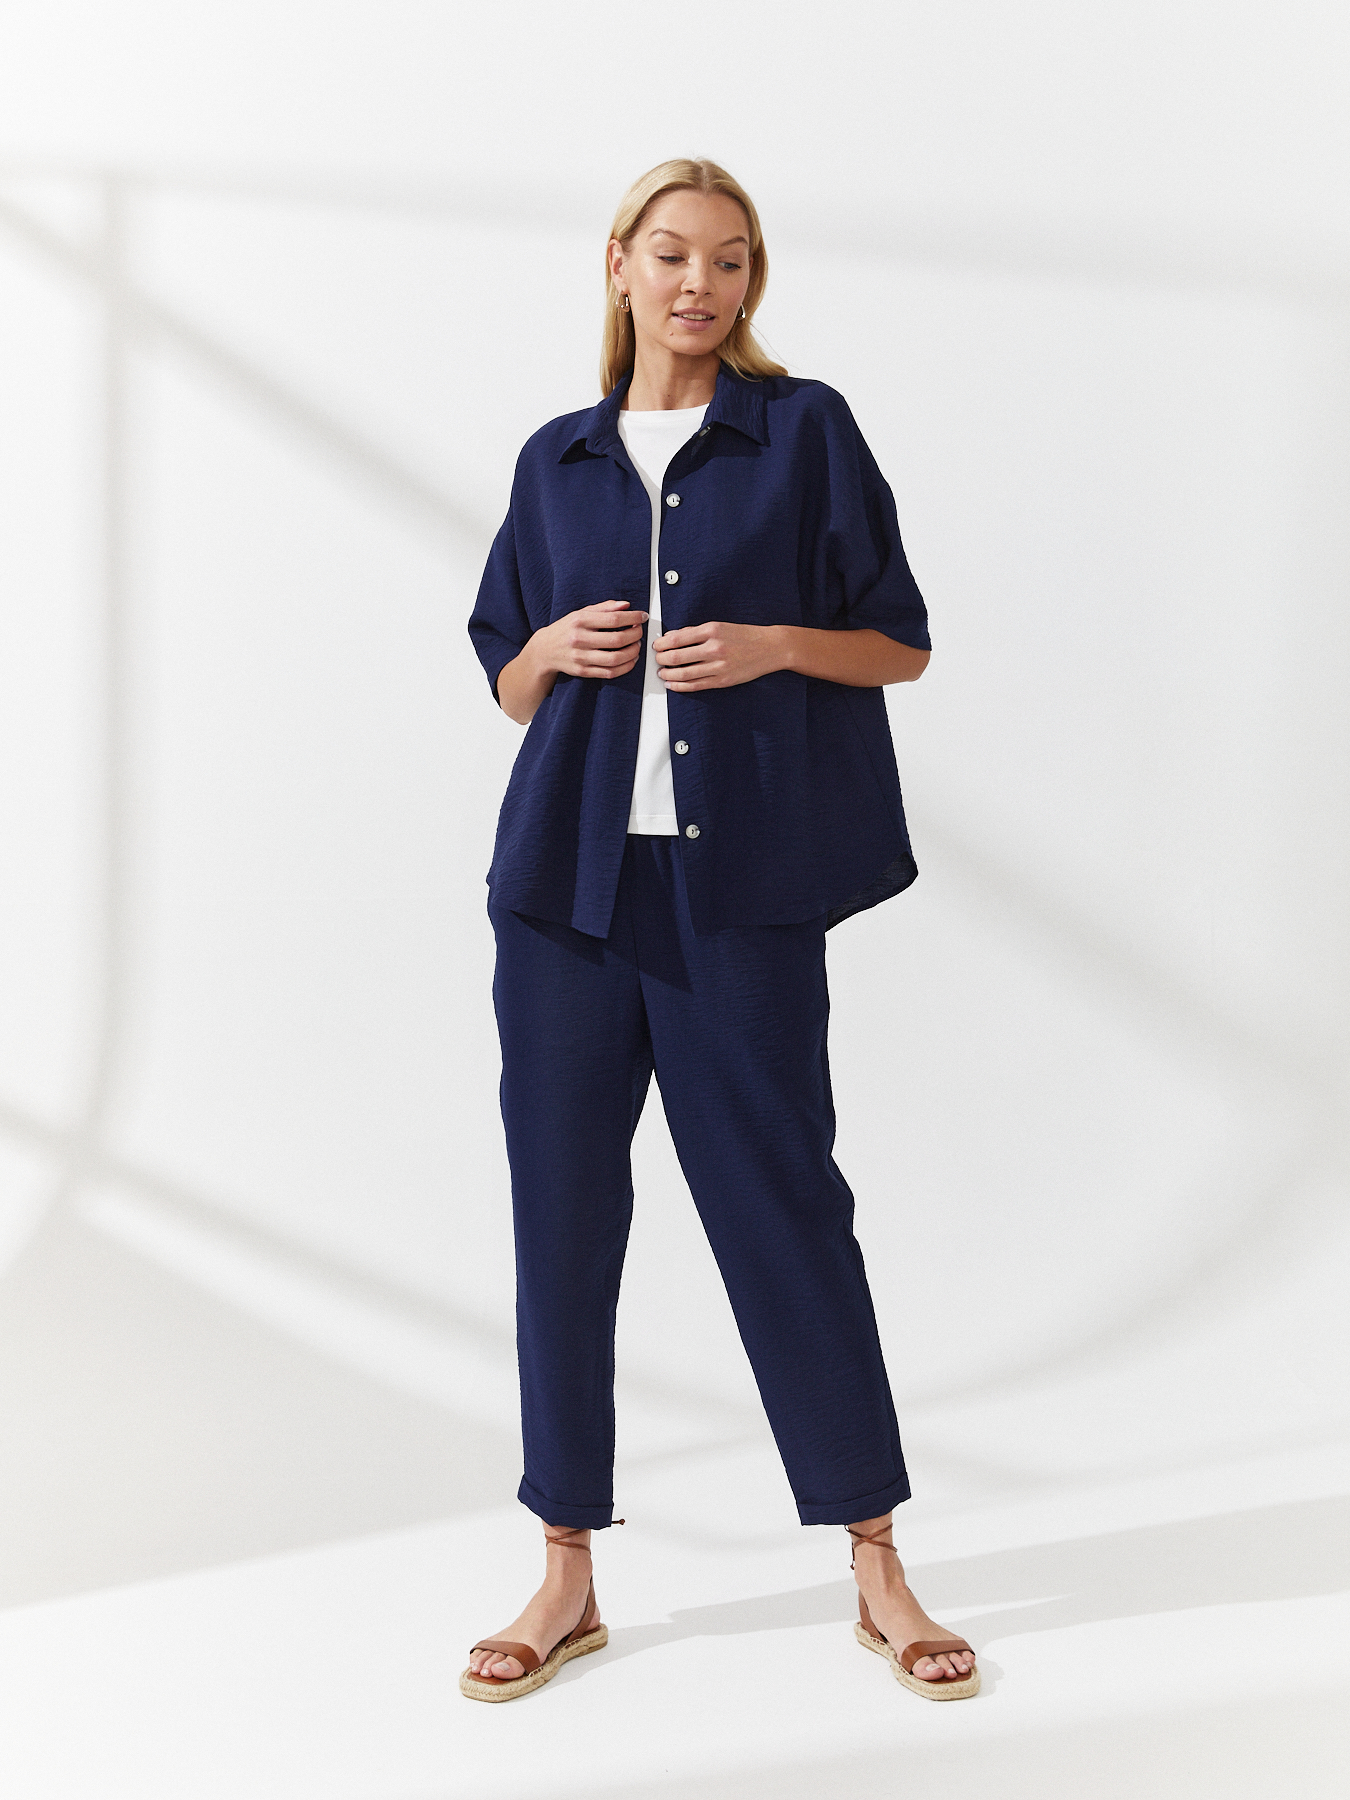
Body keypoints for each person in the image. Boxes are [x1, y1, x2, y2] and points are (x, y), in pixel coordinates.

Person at [460, 158, 978, 1705]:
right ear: (618, 263)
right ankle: (564, 1572)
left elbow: (899, 642)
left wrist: (770, 646)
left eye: (732, 260)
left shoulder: (799, 431)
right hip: (562, 897)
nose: (701, 284)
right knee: (561, 1217)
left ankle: (875, 1561)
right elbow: (506, 677)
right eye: (674, 254)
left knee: (781, 1206)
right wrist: (551, 647)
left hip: (736, 893)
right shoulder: (555, 459)